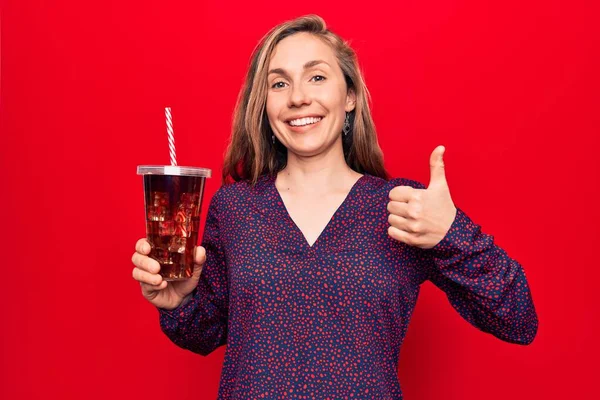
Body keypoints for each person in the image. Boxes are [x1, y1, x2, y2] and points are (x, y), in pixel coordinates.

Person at [131, 14, 538, 399]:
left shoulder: (402, 207)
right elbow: (206, 334)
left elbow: (518, 320)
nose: (298, 98)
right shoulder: (236, 208)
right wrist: (180, 300)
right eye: (279, 84)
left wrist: (452, 233)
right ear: (265, 106)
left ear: (350, 97)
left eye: (318, 77)